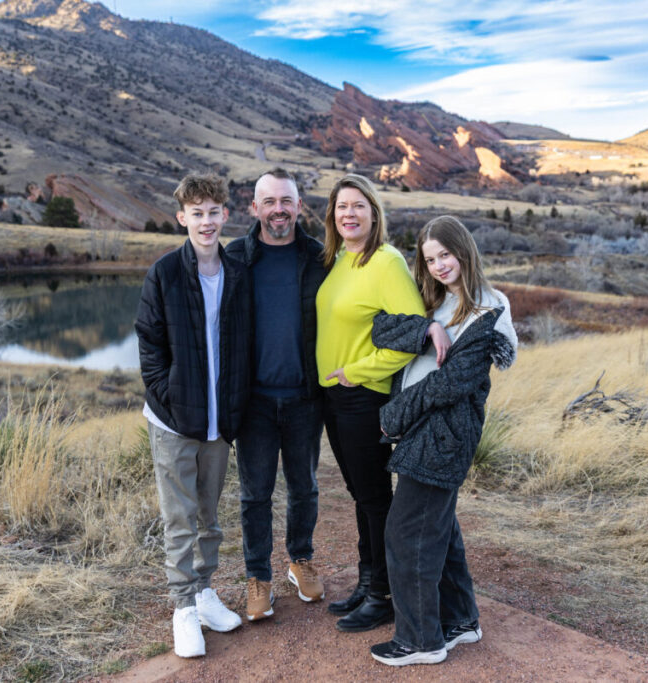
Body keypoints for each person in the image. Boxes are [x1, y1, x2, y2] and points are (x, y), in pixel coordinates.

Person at [366, 215, 517, 666]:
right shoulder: (435, 304)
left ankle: (421, 640)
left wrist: (392, 416)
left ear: (464, 251)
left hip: (445, 436)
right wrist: (424, 330)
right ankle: (461, 620)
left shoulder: (487, 313)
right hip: (425, 430)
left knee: (407, 531)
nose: (438, 265)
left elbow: (447, 385)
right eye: (430, 259)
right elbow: (379, 326)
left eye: (445, 255)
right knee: (440, 530)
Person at [135, 173, 252, 658]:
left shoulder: (237, 273)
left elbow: (244, 344)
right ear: (182, 218)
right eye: (196, 213)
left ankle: (204, 593)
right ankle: (183, 608)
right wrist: (171, 396)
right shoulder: (164, 273)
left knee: (210, 516)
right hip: (173, 421)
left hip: (217, 422)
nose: (206, 222)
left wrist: (234, 405)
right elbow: (149, 345)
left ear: (226, 215)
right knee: (179, 517)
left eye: (213, 212)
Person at [315, 173, 428, 633]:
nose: (349, 214)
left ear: (374, 213)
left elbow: (413, 333)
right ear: (333, 216)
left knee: (376, 498)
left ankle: (383, 595)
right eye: (342, 207)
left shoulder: (386, 262)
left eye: (358, 206)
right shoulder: (342, 258)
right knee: (362, 495)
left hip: (364, 397)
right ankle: (369, 582)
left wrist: (355, 372)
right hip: (334, 398)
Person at [224, 168, 327, 621]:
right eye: (269, 202)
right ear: (254, 208)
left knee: (304, 486)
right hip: (254, 402)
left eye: (286, 201)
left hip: (306, 398)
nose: (279, 209)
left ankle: (299, 559)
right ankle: (258, 577)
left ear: (299, 206)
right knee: (255, 495)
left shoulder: (321, 258)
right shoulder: (235, 258)